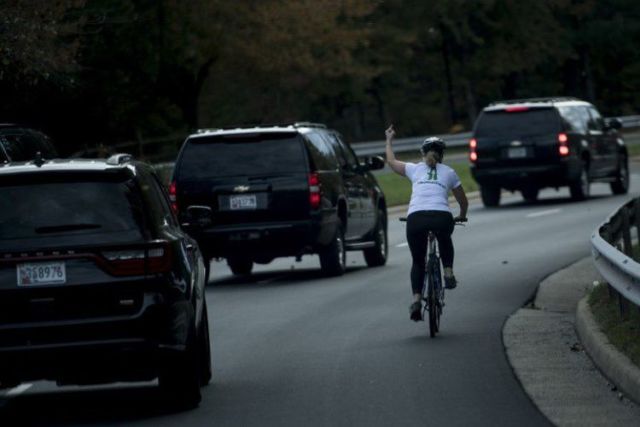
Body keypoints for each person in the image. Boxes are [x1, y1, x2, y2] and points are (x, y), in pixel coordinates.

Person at [385, 124, 468, 321]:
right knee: (444, 237)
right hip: (441, 217)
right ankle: (448, 271)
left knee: (418, 261)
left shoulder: (414, 169)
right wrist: (462, 214)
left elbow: (390, 161)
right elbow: (462, 200)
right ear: (442, 154)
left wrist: (388, 140)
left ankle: (415, 299)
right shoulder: (449, 172)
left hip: (416, 218)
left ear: (423, 153)